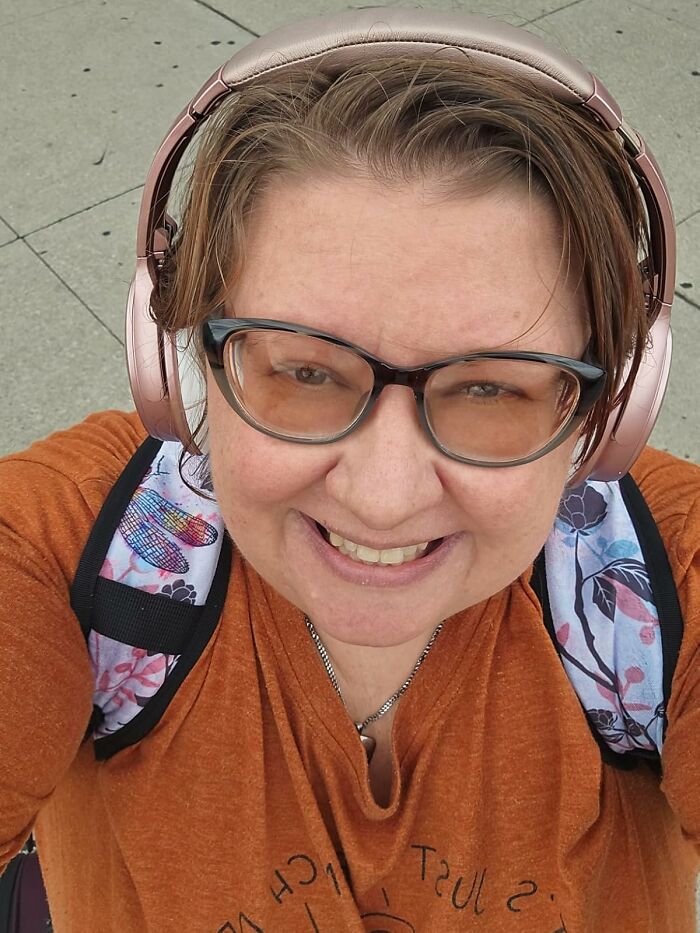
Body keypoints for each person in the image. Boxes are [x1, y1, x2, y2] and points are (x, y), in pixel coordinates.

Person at [1, 8, 698, 932]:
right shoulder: (57, 551)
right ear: (179, 366)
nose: (384, 494)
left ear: (611, 410)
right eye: (305, 372)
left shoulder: (668, 578)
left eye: (490, 388)